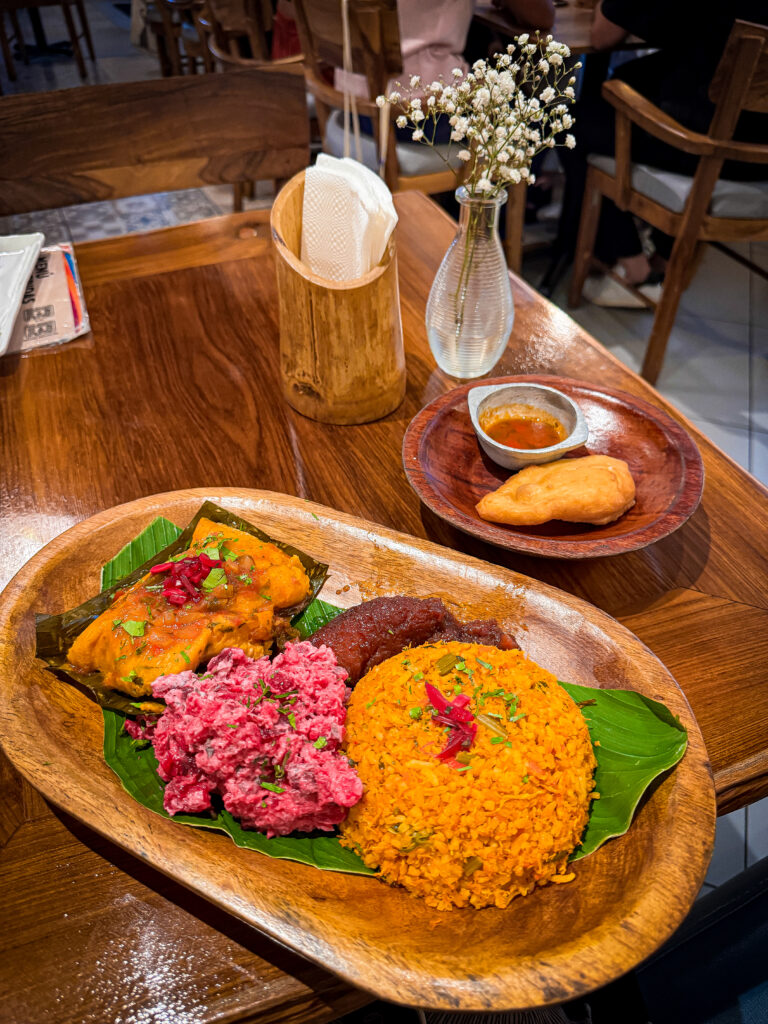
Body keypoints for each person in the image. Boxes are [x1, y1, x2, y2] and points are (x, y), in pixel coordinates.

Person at [553, 0, 768, 306]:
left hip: (710, 148)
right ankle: (664, 259)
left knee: (568, 125)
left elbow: (603, 36)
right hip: (759, 156)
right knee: (634, 80)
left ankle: (635, 270)